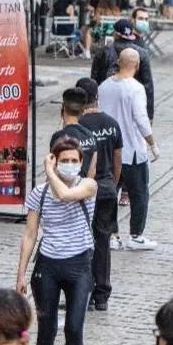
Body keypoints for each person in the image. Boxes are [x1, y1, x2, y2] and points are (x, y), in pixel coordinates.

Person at [16, 137, 97, 345]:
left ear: (81, 162)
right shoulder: (39, 193)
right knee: (46, 328)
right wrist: (21, 274)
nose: (69, 165)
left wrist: (49, 171)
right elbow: (30, 234)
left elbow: (64, 195)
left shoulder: (88, 185)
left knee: (74, 327)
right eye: (64, 160)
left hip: (79, 265)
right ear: (54, 160)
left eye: (74, 160)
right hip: (48, 265)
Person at [98, 49, 160, 250]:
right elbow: (141, 119)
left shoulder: (103, 87)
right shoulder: (136, 88)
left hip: (109, 150)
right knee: (139, 193)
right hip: (132, 150)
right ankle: (136, 234)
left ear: (118, 62)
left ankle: (111, 235)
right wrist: (152, 143)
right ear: (137, 65)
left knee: (110, 193)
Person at [76, 77, 122, 311]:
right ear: (97, 97)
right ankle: (102, 294)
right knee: (102, 240)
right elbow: (118, 158)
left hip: (83, 189)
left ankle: (82, 291)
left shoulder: (77, 126)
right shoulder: (112, 124)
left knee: (81, 240)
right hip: (106, 188)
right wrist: (113, 183)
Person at [90, 18, 155, 121]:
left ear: (115, 34)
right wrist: (149, 115)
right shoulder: (142, 53)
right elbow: (148, 86)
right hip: (132, 101)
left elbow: (94, 81)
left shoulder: (102, 52)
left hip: (107, 101)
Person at [50, 87, 98, 178]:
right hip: (83, 185)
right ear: (83, 111)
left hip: (62, 185)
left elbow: (52, 168)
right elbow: (92, 171)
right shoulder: (90, 136)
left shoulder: (58, 137)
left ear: (63, 109)